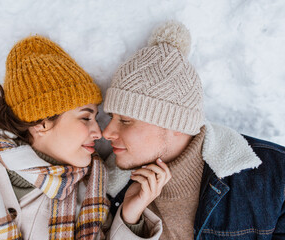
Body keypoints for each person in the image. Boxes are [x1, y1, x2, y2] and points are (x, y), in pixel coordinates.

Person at [102, 20, 285, 239]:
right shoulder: (105, 190)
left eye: (125, 120)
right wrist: (130, 222)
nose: (106, 133)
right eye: (111, 117)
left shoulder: (273, 176)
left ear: (175, 124)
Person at [0, 35, 118, 240]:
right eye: (86, 117)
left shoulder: (89, 194)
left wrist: (132, 221)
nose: (99, 133)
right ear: (42, 123)